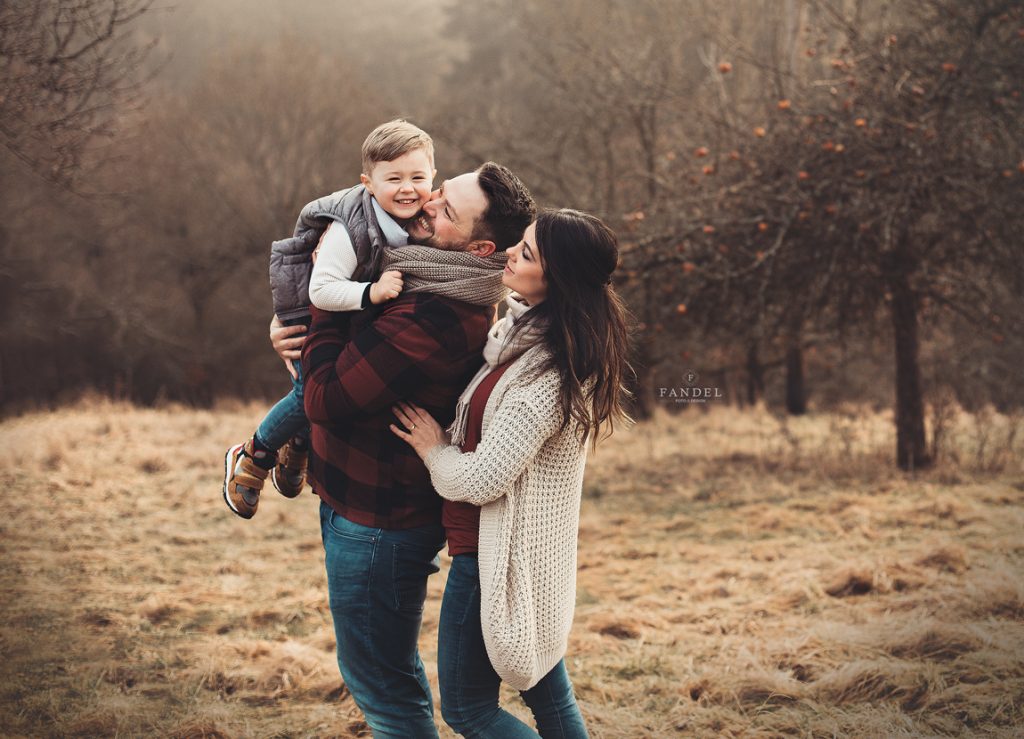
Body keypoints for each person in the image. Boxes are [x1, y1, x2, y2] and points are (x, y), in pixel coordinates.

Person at [299, 163, 537, 738]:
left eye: (445, 209)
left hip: (377, 525)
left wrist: (322, 303)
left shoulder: (437, 312)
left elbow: (325, 398)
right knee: (388, 675)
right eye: (439, 190)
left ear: (480, 246)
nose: (425, 202)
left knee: (384, 692)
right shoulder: (428, 275)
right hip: (359, 506)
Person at [391, 209, 632, 738]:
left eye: (526, 254)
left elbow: (481, 481)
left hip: (493, 561)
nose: (509, 256)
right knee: (550, 695)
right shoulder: (522, 337)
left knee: (468, 711)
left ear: (558, 279)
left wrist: (435, 451)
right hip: (516, 555)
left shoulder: (547, 373)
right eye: (518, 245)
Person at [223, 119, 435, 519]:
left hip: (348, 314)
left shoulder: (421, 217)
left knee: (327, 390)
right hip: (310, 309)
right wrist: (371, 293)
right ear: (368, 183)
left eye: (418, 177)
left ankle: (298, 448)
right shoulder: (349, 231)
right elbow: (322, 290)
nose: (408, 188)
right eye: (394, 179)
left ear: (434, 178)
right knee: (309, 392)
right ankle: (255, 453)